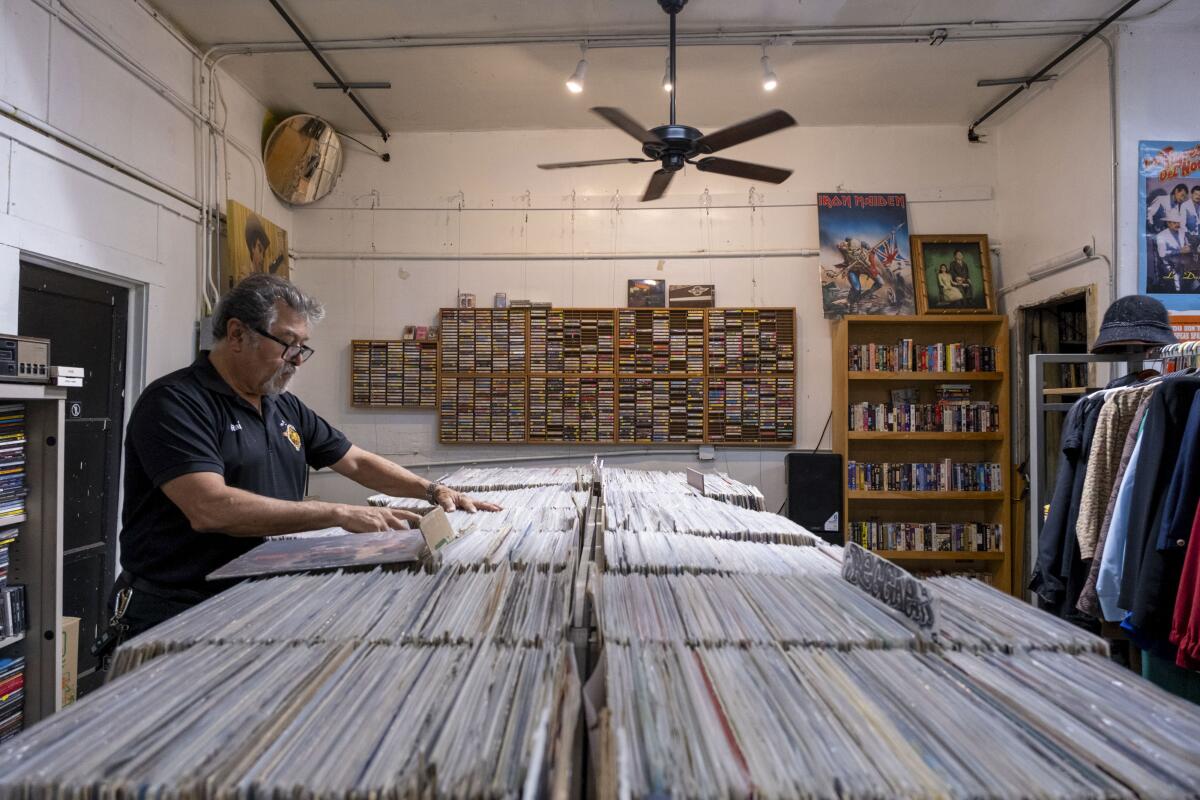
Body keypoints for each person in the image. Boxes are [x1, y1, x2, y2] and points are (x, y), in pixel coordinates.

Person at [105, 274, 500, 640]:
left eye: (302, 348)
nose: (297, 359)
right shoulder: (176, 403)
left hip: (263, 597)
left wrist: (431, 490)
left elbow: (356, 461)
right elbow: (210, 507)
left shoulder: (284, 406)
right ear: (237, 333)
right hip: (180, 609)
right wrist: (340, 513)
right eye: (288, 344)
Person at [1156, 209, 1192, 291]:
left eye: (1178, 222)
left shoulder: (1182, 232)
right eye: (1174, 223)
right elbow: (1162, 254)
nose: (1177, 225)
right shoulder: (1161, 236)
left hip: (1183, 263)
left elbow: (1186, 244)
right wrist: (1179, 251)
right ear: (1168, 223)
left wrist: (1188, 247)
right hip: (1168, 265)